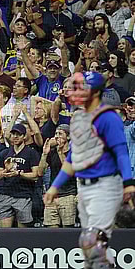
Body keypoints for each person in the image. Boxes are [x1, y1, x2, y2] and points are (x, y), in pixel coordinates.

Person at [44, 72, 135, 268]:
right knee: (92, 247)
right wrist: (54, 187)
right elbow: (71, 159)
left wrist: (128, 184)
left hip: (105, 185)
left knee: (91, 240)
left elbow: (121, 153)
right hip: (84, 187)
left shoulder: (108, 118)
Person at [0, 123, 40, 227]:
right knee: (4, 233)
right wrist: (5, 171)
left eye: (18, 134)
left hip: (23, 196)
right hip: (5, 195)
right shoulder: (4, 153)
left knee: (22, 234)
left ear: (24, 136)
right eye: (13, 134)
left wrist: (18, 174)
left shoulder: (31, 153)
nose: (15, 137)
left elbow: (35, 175)